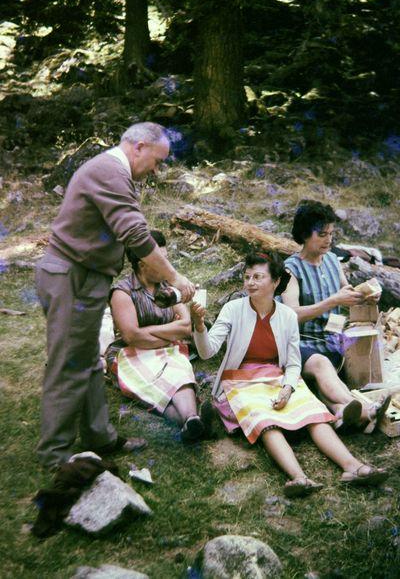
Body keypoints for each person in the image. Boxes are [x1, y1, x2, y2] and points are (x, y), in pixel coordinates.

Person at [36, 122, 196, 469]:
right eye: (156, 161)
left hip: (86, 276)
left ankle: (100, 437)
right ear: (138, 146)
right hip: (71, 277)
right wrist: (174, 276)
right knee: (68, 364)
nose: (156, 171)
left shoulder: (116, 173)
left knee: (88, 359)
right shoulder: (110, 171)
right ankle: (56, 454)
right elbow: (136, 233)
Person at [191, 251, 388, 498]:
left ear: (275, 282)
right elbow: (207, 352)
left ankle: (354, 467)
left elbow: (294, 364)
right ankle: (299, 477)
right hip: (239, 379)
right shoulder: (232, 309)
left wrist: (287, 388)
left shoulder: (286, 316)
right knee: (266, 420)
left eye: (258, 277)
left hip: (277, 376)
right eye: (247, 276)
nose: (250, 282)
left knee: (316, 415)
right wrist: (199, 326)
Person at [281, 200, 390, 433]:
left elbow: (346, 293)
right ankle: (365, 407)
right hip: (301, 344)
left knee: (327, 382)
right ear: (304, 234)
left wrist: (366, 296)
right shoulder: (291, 269)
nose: (329, 239)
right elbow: (290, 315)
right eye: (322, 234)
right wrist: (333, 301)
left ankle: (344, 413)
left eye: (331, 233)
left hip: (332, 340)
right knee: (321, 365)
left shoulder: (331, 259)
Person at [105, 230, 211, 442]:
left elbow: (185, 325)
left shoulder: (169, 289)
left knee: (179, 373)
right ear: (143, 264)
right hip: (131, 353)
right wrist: (170, 333)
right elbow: (131, 337)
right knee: (153, 385)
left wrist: (149, 332)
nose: (167, 266)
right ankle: (193, 422)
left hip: (166, 347)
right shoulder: (122, 292)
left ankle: (190, 420)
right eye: (161, 261)